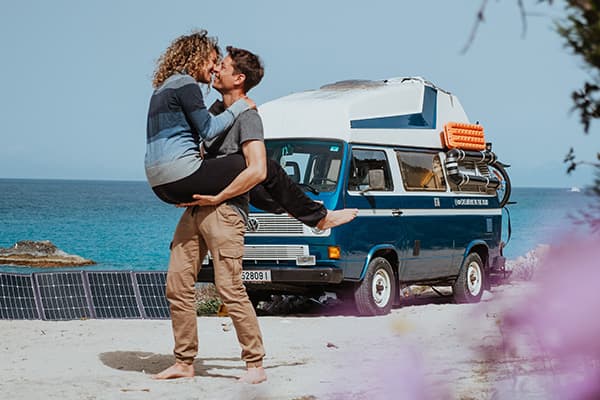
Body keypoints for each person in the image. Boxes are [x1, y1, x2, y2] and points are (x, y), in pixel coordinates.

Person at [145, 30, 357, 230]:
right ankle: (318, 217)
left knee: (247, 173)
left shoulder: (163, 88)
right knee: (261, 167)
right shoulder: (187, 84)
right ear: (196, 57)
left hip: (159, 185)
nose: (214, 68)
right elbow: (209, 130)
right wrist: (241, 105)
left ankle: (294, 210)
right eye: (212, 61)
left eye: (220, 65)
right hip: (181, 176)